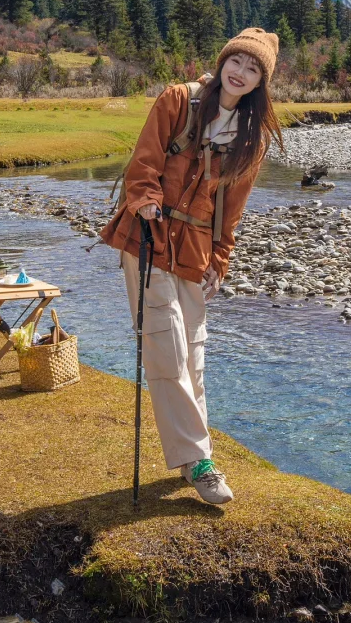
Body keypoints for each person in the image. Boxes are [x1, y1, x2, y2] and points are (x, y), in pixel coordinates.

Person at [100, 28, 282, 505]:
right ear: (223, 61)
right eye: (236, 61)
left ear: (262, 80)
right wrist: (145, 200)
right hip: (148, 238)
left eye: (253, 68)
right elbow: (143, 163)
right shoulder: (178, 101)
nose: (240, 73)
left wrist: (220, 259)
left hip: (196, 252)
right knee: (167, 349)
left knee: (193, 359)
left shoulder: (251, 137)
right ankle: (201, 463)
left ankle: (188, 459)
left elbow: (233, 208)